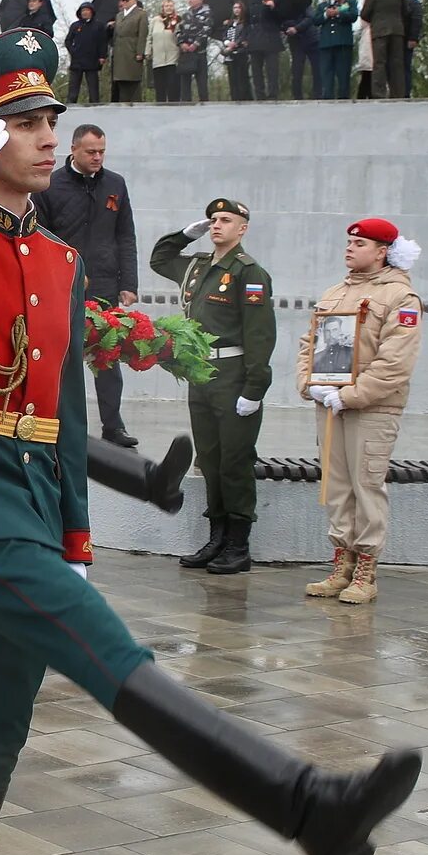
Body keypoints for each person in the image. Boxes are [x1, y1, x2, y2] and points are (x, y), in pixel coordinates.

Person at [0, 29, 418, 855]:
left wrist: (73, 540)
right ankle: (301, 804)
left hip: (26, 503)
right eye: (17, 124)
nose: (39, 135)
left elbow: (63, 415)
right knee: (110, 653)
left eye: (43, 121)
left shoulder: (58, 259)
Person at [298, 218, 422, 606]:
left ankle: (366, 568)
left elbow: (395, 363)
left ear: (382, 251)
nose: (350, 248)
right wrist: (309, 383)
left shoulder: (401, 299)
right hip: (330, 404)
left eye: (360, 243)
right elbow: (310, 343)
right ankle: (342, 562)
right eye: (349, 242)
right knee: (336, 486)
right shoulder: (335, 293)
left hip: (372, 407)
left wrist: (352, 394)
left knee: (366, 485)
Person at [150, 198, 277, 575]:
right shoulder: (197, 266)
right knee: (209, 458)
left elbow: (260, 335)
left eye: (226, 220)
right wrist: (187, 235)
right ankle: (216, 536)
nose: (217, 225)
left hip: (234, 375)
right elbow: (160, 259)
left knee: (235, 460)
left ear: (243, 228)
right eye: (213, 220)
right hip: (201, 374)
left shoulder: (248, 273)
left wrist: (255, 388)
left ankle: (238, 543)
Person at [39, 125, 140, 446]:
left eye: (102, 152)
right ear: (73, 149)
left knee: (106, 356)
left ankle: (113, 426)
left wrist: (129, 282)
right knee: (61, 357)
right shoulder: (49, 185)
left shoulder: (115, 184)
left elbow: (125, 235)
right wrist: (63, 269)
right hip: (61, 287)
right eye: (91, 152)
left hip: (105, 285)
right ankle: (55, 424)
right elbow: (39, 235)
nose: (97, 157)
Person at [359, 0, 409, 99]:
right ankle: (398, 93)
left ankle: (379, 94)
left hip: (379, 32)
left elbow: (364, 14)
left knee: (379, 63)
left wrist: (376, 21)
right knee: (397, 62)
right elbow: (406, 11)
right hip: (397, 31)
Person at [313, 0, 359, 101]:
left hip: (343, 43)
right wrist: (326, 15)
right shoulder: (323, 5)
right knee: (326, 73)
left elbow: (354, 16)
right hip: (326, 44)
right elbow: (315, 21)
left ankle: (343, 98)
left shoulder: (349, 3)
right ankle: (327, 97)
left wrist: (338, 13)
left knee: (343, 73)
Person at [110, 0, 147, 103]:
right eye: (123, 0)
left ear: (134, 0)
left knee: (133, 83)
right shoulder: (119, 15)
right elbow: (116, 35)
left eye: (127, 0)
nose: (124, 2)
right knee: (121, 84)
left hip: (132, 51)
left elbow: (142, 34)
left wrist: (140, 52)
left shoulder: (141, 14)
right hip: (120, 53)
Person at [176, 0, 213, 103]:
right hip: (186, 53)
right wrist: (182, 43)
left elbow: (207, 29)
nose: (190, 1)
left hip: (199, 52)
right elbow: (179, 30)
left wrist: (196, 44)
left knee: (202, 82)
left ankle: (204, 104)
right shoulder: (186, 14)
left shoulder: (207, 13)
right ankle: (186, 104)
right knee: (185, 82)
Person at [147, 0, 182, 103]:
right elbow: (149, 37)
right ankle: (160, 107)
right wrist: (147, 52)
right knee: (159, 86)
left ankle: (174, 106)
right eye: (166, 6)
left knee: (172, 85)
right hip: (158, 58)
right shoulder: (155, 20)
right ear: (162, 8)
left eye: (171, 6)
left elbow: (181, 36)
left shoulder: (178, 20)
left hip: (173, 57)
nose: (168, 8)